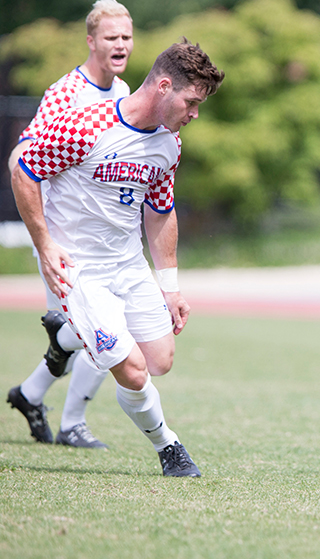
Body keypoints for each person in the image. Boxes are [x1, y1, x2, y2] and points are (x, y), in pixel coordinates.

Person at [11, 38, 225, 476]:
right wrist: (46, 243)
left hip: (128, 266)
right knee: (131, 370)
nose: (194, 114)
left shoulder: (170, 143)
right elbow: (23, 171)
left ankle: (67, 336)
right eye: (191, 102)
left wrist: (170, 289)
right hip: (80, 270)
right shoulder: (86, 126)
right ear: (163, 86)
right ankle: (170, 447)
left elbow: (161, 212)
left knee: (159, 360)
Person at [6, 0, 134, 449]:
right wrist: (42, 238)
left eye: (126, 37)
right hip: (66, 241)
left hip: (107, 242)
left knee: (101, 330)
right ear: (91, 41)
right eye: (111, 37)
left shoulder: (124, 94)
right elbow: (22, 158)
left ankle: (35, 396)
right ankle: (60, 412)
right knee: (96, 331)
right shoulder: (65, 93)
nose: (120, 45)